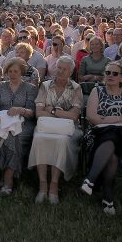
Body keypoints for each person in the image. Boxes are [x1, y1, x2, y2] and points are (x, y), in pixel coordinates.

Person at [80, 62, 122, 215]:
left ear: (121, 78)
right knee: (112, 148)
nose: (110, 76)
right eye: (107, 73)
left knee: (113, 135)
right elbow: (91, 116)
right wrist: (119, 119)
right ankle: (108, 198)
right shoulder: (97, 91)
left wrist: (111, 119)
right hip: (98, 134)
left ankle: (90, 179)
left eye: (114, 73)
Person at [29, 56, 83, 204]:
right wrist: (63, 114)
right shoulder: (45, 86)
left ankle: (54, 184)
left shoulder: (76, 88)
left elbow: (74, 116)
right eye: (58, 67)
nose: (60, 71)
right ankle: (42, 185)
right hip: (45, 126)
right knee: (40, 138)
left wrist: (53, 110)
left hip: (67, 130)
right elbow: (38, 113)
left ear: (70, 72)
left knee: (61, 141)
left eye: (64, 69)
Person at [0, 57, 38, 195]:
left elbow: (31, 112)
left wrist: (19, 110)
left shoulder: (31, 88)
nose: (12, 74)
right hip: (2, 122)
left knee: (14, 138)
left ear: (21, 72)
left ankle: (8, 178)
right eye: (10, 71)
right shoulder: (0, 86)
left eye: (15, 71)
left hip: (22, 123)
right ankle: (1, 172)